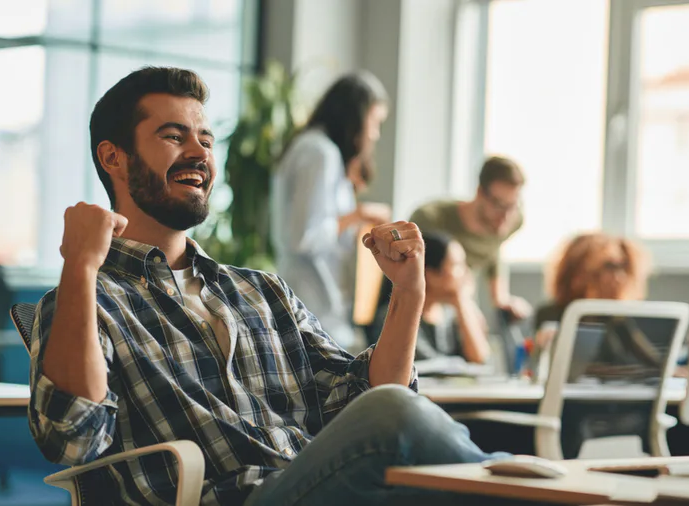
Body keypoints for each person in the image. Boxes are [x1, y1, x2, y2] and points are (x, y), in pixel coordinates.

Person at [28, 67, 510, 506]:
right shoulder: (88, 300)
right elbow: (72, 436)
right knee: (400, 419)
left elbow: (362, 398)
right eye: (173, 136)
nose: (199, 152)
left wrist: (408, 293)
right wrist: (81, 266)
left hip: (315, 485)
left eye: (207, 140)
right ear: (113, 157)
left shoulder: (262, 292)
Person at [271, 72, 392, 349]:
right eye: (375, 122)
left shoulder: (317, 150)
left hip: (319, 302)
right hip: (310, 298)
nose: (375, 133)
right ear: (355, 117)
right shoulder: (319, 152)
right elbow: (304, 236)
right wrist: (357, 216)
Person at [410, 156, 530, 320]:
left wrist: (500, 298)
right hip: (424, 306)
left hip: (461, 300)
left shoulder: (511, 222)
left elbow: (494, 249)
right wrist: (466, 308)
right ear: (480, 193)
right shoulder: (431, 219)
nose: (505, 217)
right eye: (499, 205)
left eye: (512, 206)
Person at [533, 232, 662, 377]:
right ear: (580, 272)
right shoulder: (552, 315)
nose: (619, 277)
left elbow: (656, 364)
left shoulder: (616, 319)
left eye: (622, 267)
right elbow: (574, 369)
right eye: (610, 267)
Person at [374, 232, 491, 364]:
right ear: (431, 275)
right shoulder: (398, 316)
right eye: (458, 265)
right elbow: (424, 364)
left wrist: (462, 302)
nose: (466, 273)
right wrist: (461, 299)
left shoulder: (450, 313)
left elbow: (480, 358)